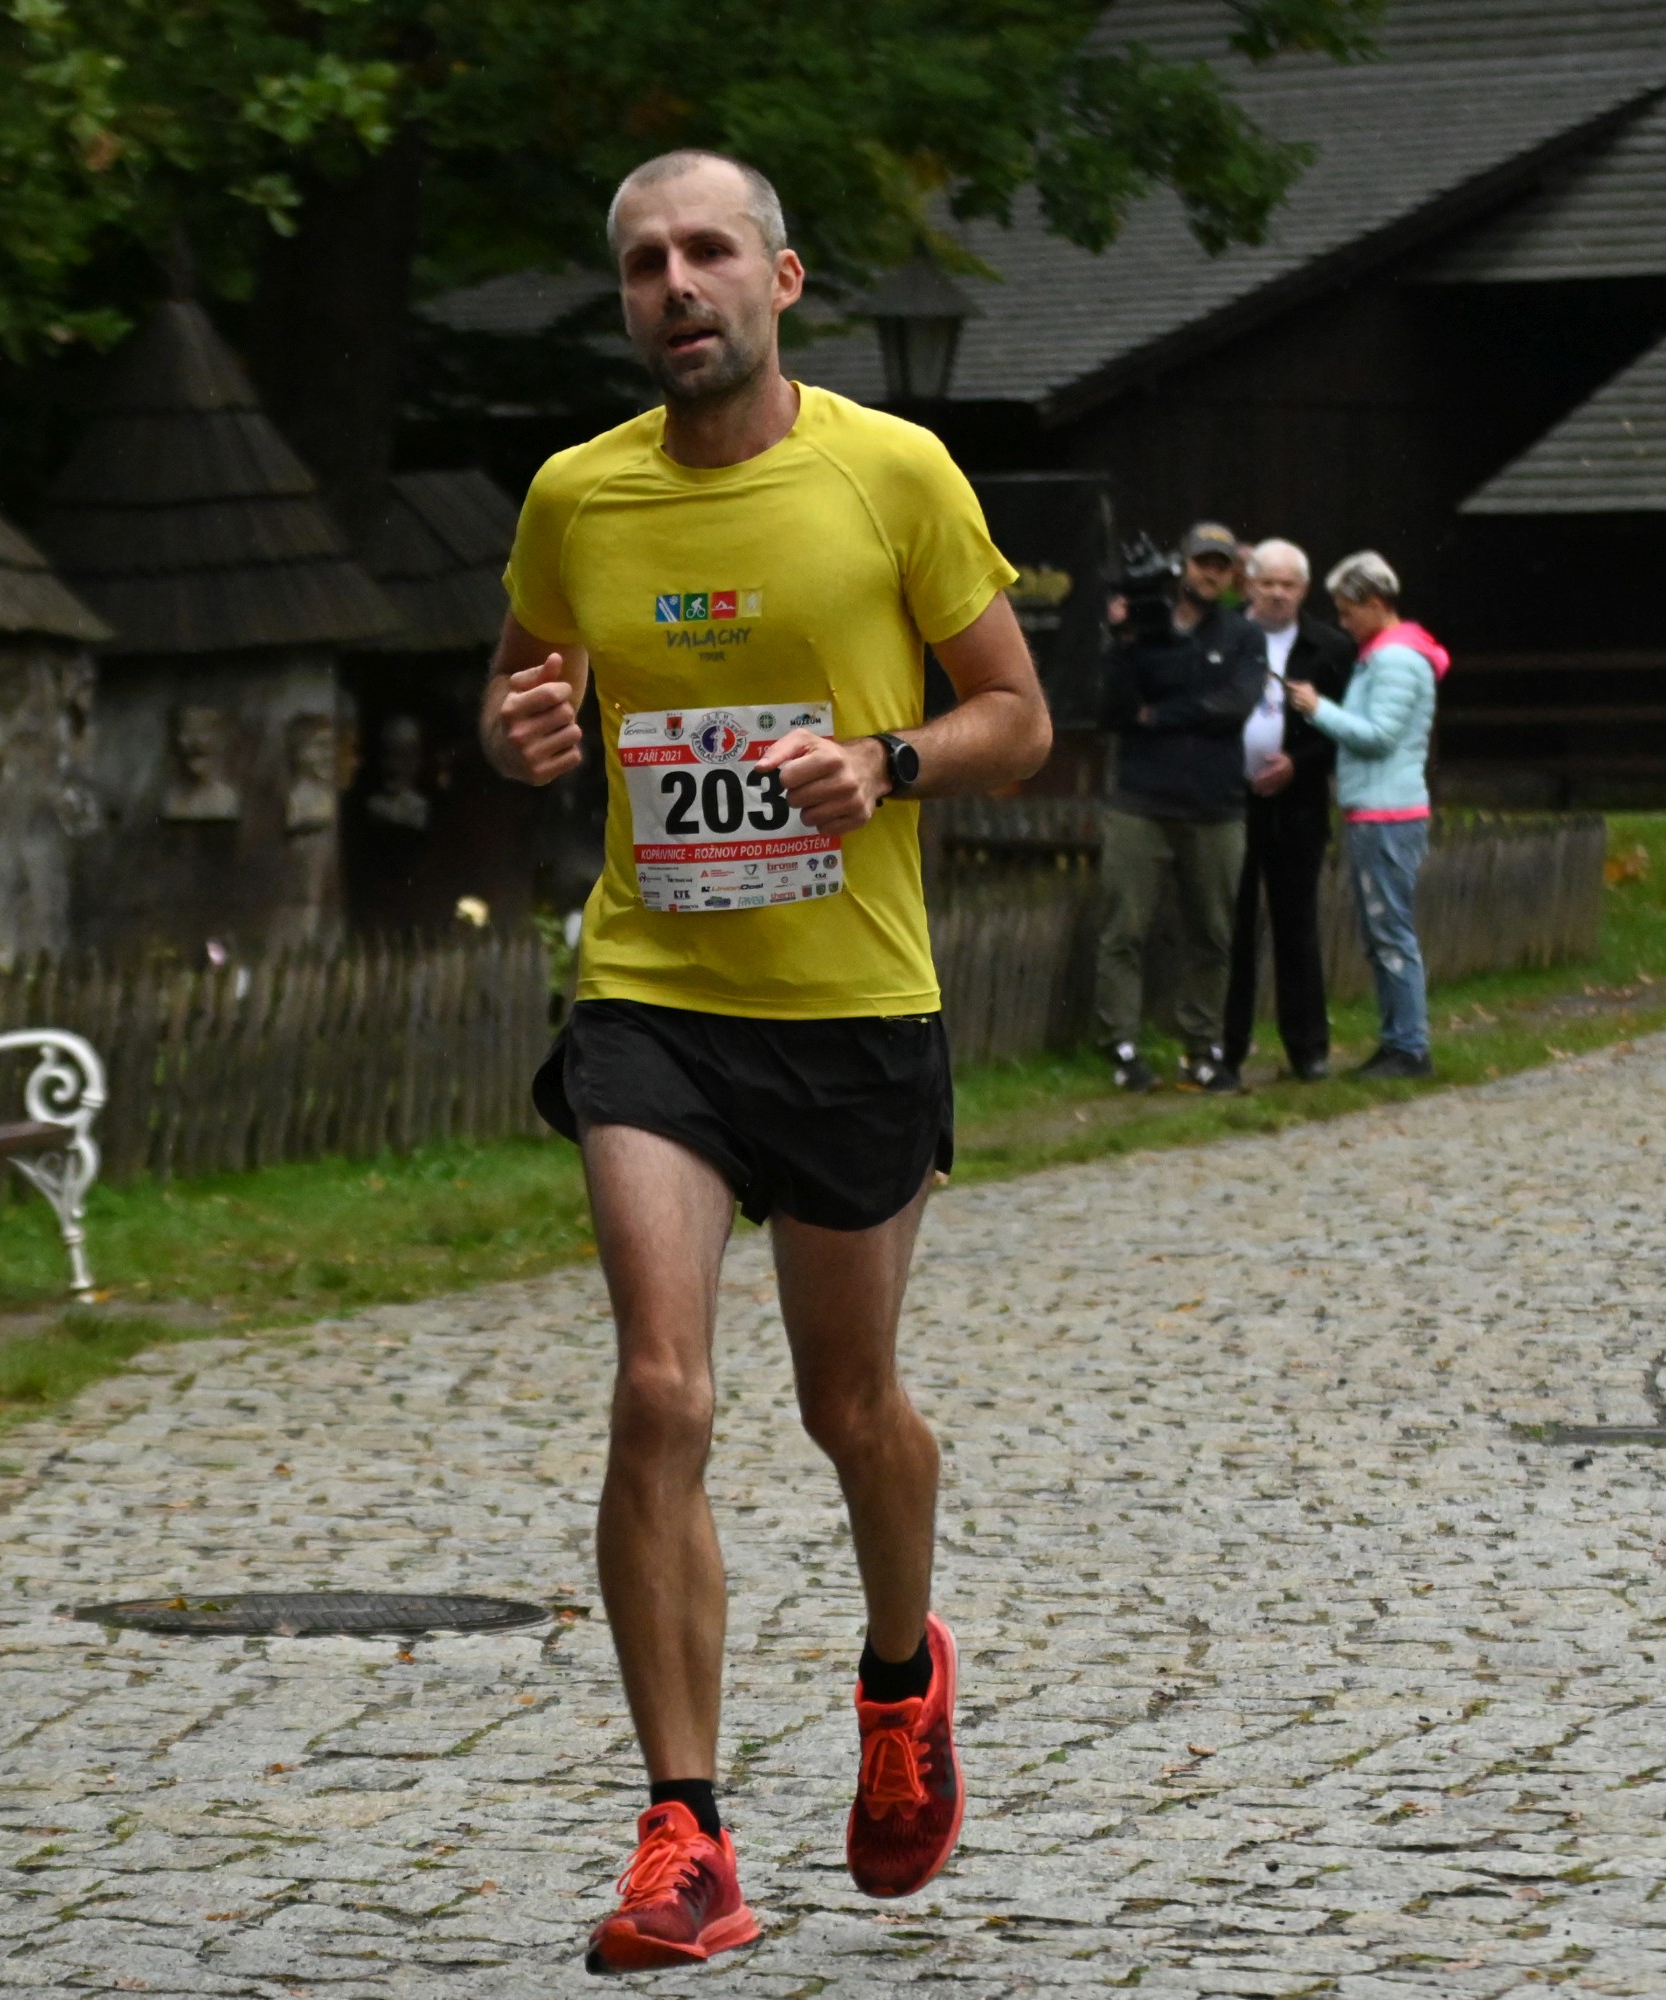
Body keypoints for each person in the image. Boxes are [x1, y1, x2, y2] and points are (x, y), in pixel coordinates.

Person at [481, 149, 1049, 1969]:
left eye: (709, 250)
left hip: (852, 1006)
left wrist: (885, 763)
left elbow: (1019, 718)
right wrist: (521, 732)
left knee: (846, 1408)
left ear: (781, 279)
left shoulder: (895, 472)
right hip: (652, 998)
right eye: (644, 260)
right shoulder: (579, 495)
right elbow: (522, 700)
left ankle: (900, 1679)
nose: (677, 283)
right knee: (661, 1392)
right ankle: (688, 1834)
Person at [1091, 523, 1260, 1093]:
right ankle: (1121, 1046)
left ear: (1232, 574)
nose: (1210, 573)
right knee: (1124, 930)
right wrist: (1121, 643)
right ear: (1182, 565)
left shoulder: (1243, 634)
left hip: (1216, 808)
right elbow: (1114, 712)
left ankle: (1201, 1047)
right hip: (1141, 802)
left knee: (1212, 934)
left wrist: (1161, 715)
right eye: (1201, 561)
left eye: (1221, 565)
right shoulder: (1143, 630)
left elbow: (1234, 705)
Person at [1286, 551, 1442, 1080]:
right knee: (1382, 934)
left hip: (1388, 813)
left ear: (1375, 602)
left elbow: (1378, 737)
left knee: (1390, 933)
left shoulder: (1394, 660)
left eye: (1348, 610)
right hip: (1376, 811)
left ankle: (1409, 1047)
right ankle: (1398, 1040)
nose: (1342, 621)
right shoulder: (1382, 655)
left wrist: (1317, 709)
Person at [1221, 537, 1355, 1082]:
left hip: (1298, 804)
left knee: (1296, 924)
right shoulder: (1223, 635)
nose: (1277, 593)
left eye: (1288, 585)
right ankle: (1226, 1047)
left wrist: (1299, 764)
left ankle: (1308, 1048)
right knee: (1231, 927)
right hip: (1230, 802)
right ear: (1248, 584)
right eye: (1267, 583)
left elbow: (1345, 728)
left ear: (1304, 589)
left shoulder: (1330, 648)